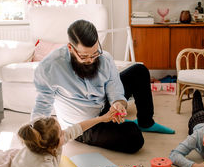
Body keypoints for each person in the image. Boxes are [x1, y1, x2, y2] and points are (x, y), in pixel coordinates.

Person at [31, 19, 174, 154]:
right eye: (85, 56)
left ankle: (146, 123)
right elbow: (42, 106)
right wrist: (36, 137)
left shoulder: (104, 58)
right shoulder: (50, 67)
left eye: (95, 53)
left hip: (103, 106)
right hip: (83, 124)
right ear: (71, 48)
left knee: (139, 70)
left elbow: (114, 87)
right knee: (134, 138)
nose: (91, 60)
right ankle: (127, 127)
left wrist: (118, 104)